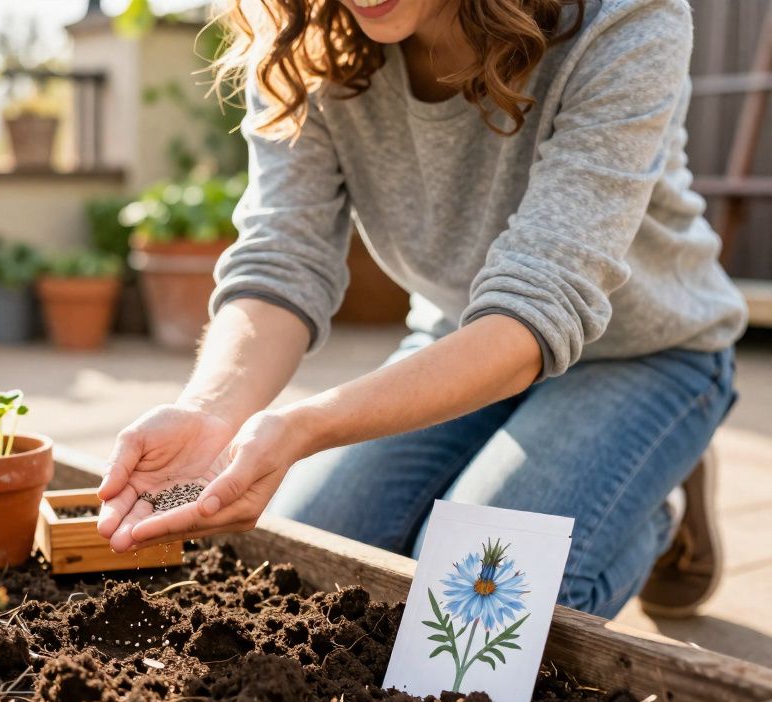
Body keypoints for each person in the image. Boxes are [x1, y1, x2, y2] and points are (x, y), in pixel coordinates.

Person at [96, 0, 748, 620]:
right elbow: (281, 260)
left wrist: (304, 426)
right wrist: (211, 412)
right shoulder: (303, 39)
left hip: (642, 353)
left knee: (470, 609)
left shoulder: (623, 19)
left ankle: (654, 506)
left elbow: (538, 304)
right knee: (305, 569)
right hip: (458, 337)